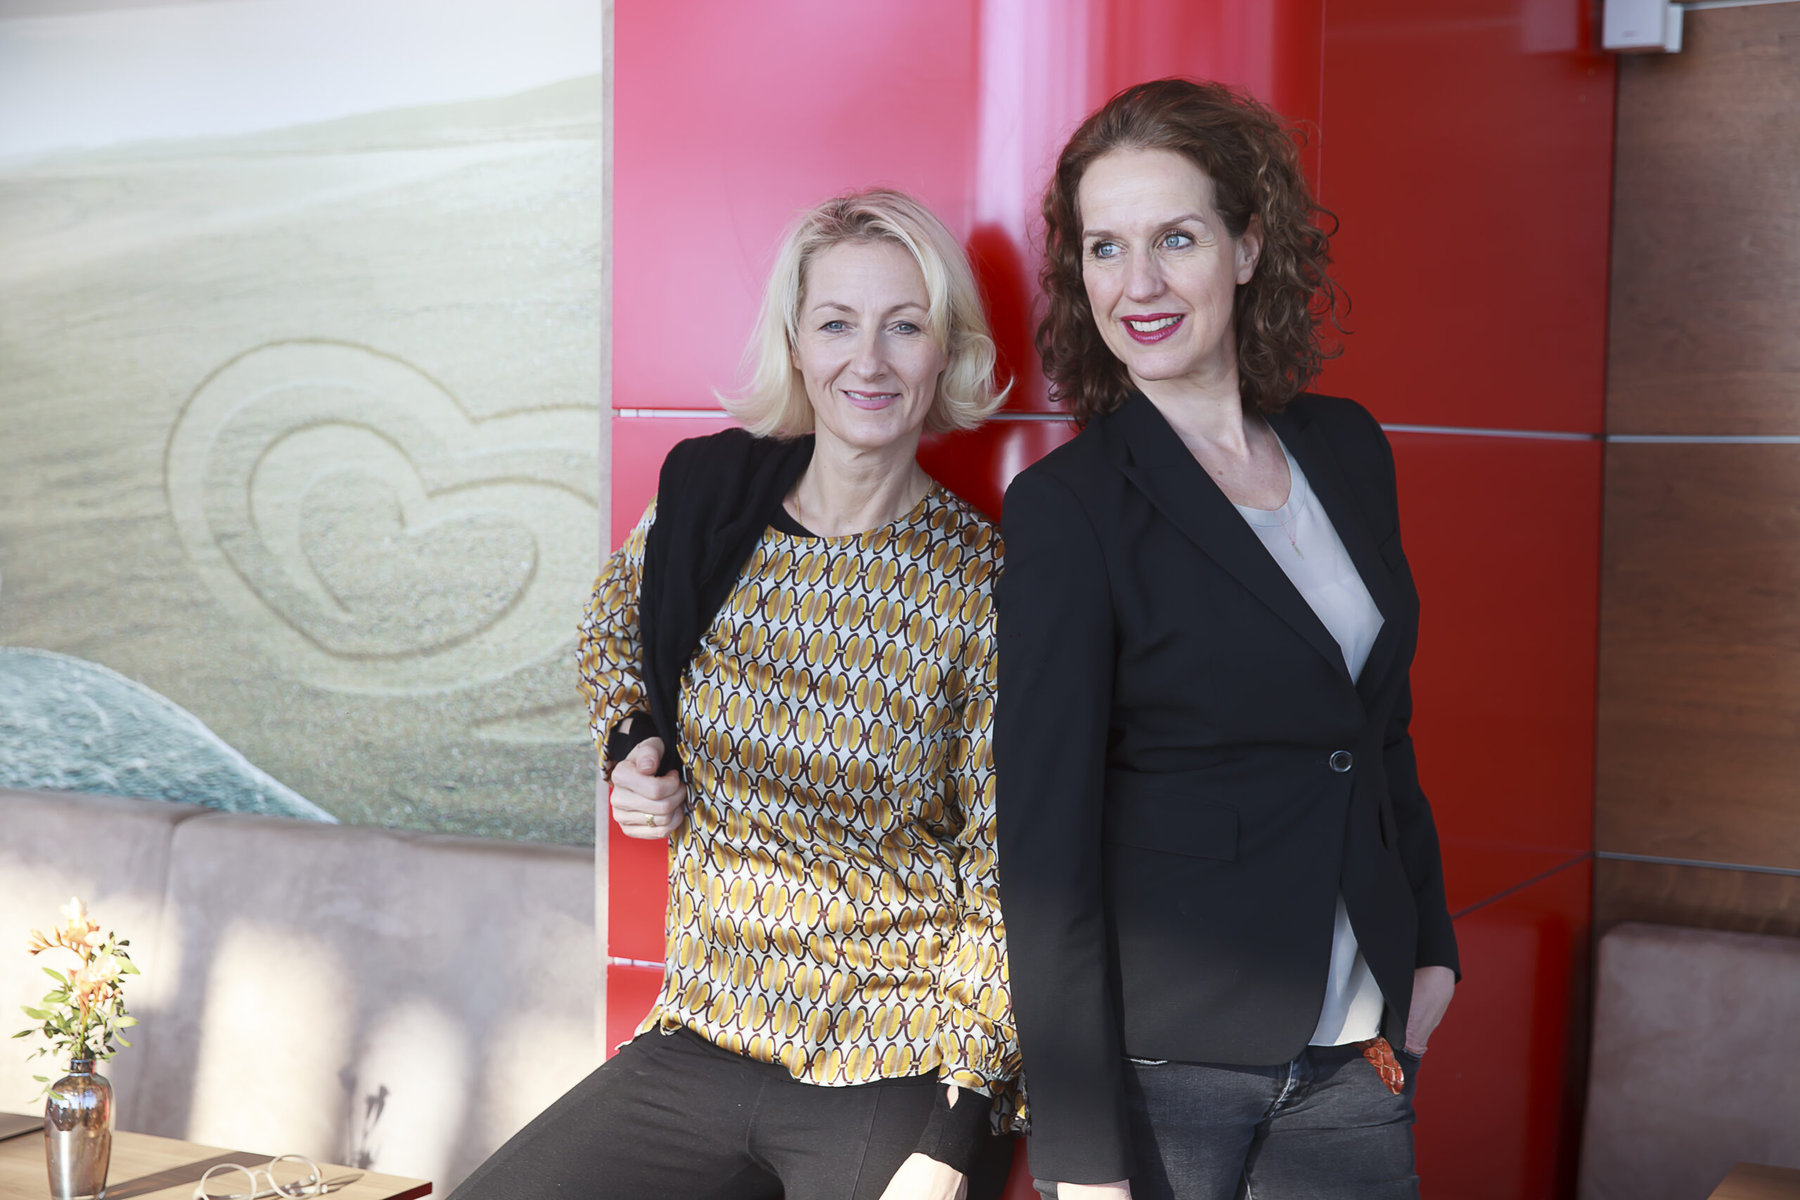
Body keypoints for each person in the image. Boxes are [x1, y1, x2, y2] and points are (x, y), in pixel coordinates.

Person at [450, 189, 1018, 1200]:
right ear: (797, 345)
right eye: (837, 324)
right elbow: (610, 629)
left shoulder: (985, 582)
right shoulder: (711, 498)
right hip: (703, 1034)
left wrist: (955, 1127)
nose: (869, 360)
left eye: (905, 325)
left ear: (946, 349)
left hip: (886, 1064)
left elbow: (1005, 876)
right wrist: (631, 745)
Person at [994, 79, 1459, 1200]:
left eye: (1177, 239)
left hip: (1358, 1046)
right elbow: (1044, 849)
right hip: (1167, 1068)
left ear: (1249, 249)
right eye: (1105, 248)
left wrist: (1430, 945)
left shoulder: (1346, 448)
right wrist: (1079, 1153)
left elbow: (1378, 728)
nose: (1138, 284)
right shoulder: (1070, 508)